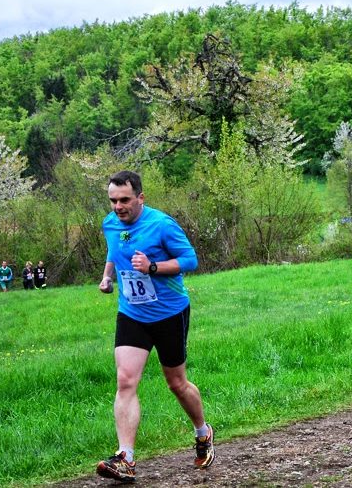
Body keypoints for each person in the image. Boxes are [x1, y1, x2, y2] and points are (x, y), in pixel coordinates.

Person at [95, 170, 213, 483]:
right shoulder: (110, 223)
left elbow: (190, 260)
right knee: (125, 380)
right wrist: (107, 276)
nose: (118, 207)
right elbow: (113, 250)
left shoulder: (161, 224)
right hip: (132, 313)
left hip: (169, 313)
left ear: (140, 198)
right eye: (113, 201)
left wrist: (152, 267)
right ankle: (126, 459)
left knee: (176, 383)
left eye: (124, 200)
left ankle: (203, 432)